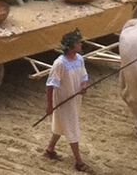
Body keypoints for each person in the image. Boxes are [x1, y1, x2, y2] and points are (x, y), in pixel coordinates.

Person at [44, 29, 92, 173]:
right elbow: (50, 85)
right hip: (63, 101)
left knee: (61, 124)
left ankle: (50, 149)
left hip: (75, 99)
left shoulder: (79, 59)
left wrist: (84, 86)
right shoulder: (59, 64)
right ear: (71, 47)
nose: (81, 45)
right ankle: (78, 161)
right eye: (78, 43)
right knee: (72, 127)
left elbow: (84, 76)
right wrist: (50, 106)